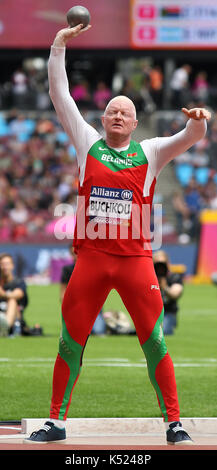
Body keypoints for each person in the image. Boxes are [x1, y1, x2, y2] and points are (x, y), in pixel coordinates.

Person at [25, 24, 211, 445]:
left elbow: (190, 137)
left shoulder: (151, 151)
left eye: (125, 111)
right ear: (103, 117)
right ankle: (55, 422)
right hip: (91, 260)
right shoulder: (86, 141)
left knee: (155, 341)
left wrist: (201, 122)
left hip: (135, 262)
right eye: (111, 110)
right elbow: (60, 96)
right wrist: (57, 47)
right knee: (69, 341)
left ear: (135, 121)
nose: (117, 115)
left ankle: (174, 424)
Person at [153, 250, 183, 335]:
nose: (160, 268)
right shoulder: (148, 278)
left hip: (168, 312)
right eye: (157, 264)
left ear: (168, 263)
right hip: (151, 313)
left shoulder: (174, 277)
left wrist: (165, 287)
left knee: (164, 331)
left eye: (162, 264)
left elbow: (175, 294)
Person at [0, 253, 28, 336]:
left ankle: (5, 327)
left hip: (15, 318)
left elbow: (18, 294)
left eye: (7, 264)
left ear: (12, 266)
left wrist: (3, 294)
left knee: (12, 300)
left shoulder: (19, 282)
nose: (5, 267)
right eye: (2, 264)